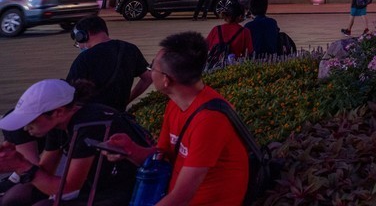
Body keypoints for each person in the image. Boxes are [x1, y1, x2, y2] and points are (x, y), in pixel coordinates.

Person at [105, 32, 250, 206]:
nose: (150, 74)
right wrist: (128, 149)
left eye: (152, 68)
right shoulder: (176, 104)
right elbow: (163, 156)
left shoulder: (210, 120)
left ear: (166, 80)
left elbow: (181, 197)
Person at [0, 79, 150, 206]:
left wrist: (21, 166)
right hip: (99, 184)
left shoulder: (88, 124)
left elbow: (68, 187)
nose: (26, 128)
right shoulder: (60, 122)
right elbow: (45, 170)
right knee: (14, 197)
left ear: (57, 112)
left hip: (130, 189)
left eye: (30, 120)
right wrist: (17, 160)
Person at [66, 15, 153, 112]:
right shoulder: (129, 49)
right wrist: (127, 101)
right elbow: (148, 78)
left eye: (78, 43)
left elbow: (68, 93)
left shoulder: (84, 58)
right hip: (118, 116)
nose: (79, 46)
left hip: (92, 118)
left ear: (83, 36)